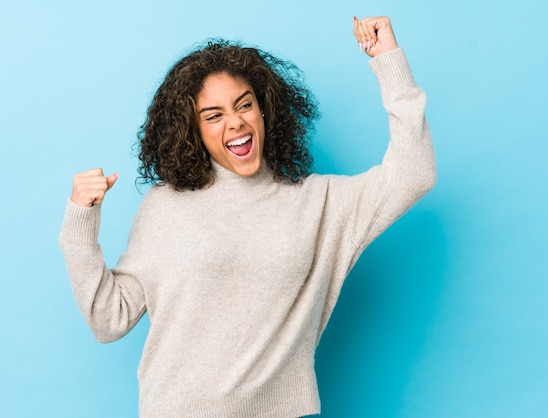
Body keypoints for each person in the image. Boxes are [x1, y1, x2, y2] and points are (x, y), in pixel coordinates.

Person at [59, 15, 436, 418]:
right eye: (213, 115)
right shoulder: (166, 206)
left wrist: (389, 62)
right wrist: (80, 222)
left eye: (244, 105)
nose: (235, 121)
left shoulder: (319, 203)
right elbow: (109, 319)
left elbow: (414, 173)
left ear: (264, 110)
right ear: (194, 131)